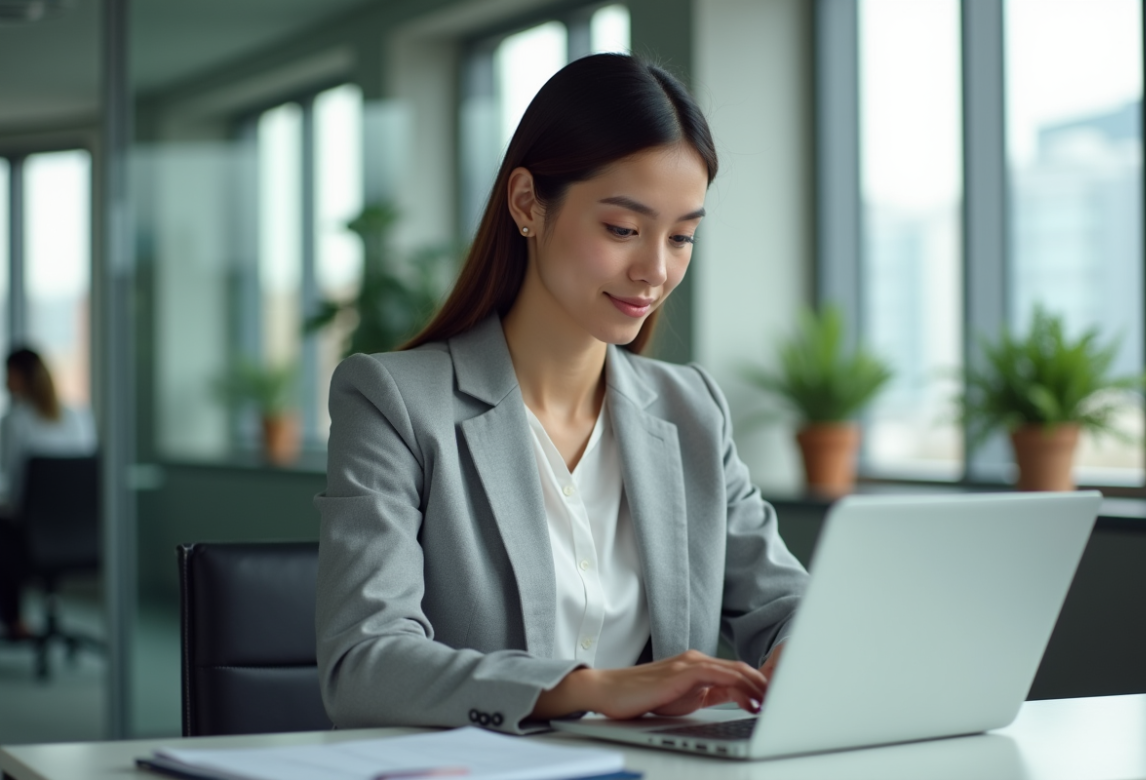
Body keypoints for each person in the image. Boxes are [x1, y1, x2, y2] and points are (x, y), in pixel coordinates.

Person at [315, 53, 808, 734]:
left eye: (682, 237)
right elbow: (364, 663)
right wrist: (593, 689)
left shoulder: (692, 409)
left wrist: (798, 651)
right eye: (623, 229)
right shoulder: (394, 403)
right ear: (527, 203)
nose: (655, 270)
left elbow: (784, 603)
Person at [0, 348, 97, 639]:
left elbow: (12, 486)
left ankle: (14, 620)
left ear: (21, 376)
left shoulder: (15, 422)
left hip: (33, 538)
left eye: (8, 374)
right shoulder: (80, 417)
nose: (5, 381)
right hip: (82, 534)